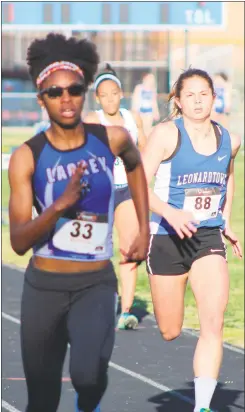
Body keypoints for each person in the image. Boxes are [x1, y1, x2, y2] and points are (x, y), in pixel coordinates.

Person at [8, 33, 150, 412]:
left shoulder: (113, 139)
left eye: (74, 89)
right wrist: (59, 206)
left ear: (84, 91)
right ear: (42, 100)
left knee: (88, 378)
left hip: (94, 283)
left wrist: (144, 227)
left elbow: (136, 166)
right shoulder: (28, 157)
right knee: (41, 400)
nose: (66, 98)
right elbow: (19, 241)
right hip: (44, 287)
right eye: (55, 93)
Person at [142, 68, 242, 412]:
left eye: (205, 94)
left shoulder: (230, 139)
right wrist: (170, 214)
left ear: (215, 98)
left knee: (213, 322)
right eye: (191, 95)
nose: (198, 101)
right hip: (167, 236)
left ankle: (202, 406)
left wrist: (225, 220)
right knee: (170, 330)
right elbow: (139, 183)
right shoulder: (166, 135)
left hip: (207, 236)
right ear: (178, 101)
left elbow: (227, 177)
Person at [84, 64, 147, 330]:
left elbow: (145, 150)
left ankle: (126, 312)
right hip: (100, 190)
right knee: (97, 250)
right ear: (97, 98)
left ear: (121, 94)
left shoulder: (133, 118)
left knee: (129, 249)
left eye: (114, 93)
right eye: (104, 95)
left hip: (126, 190)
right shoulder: (92, 120)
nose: (110, 99)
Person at [131, 70, 160, 136]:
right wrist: (134, 110)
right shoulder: (139, 88)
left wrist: (156, 112)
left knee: (148, 128)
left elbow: (154, 102)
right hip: (140, 111)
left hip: (149, 111)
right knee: (141, 127)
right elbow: (135, 100)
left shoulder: (153, 90)